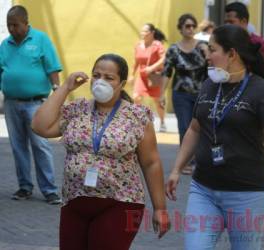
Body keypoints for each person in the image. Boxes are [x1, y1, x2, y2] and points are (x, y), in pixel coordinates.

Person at [166, 25, 264, 250]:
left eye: (212, 50)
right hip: (203, 190)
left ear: (232, 54)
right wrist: (176, 168)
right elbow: (195, 129)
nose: (207, 55)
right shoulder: (209, 85)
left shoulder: (263, 92)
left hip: (247, 193)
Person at [31, 53, 170, 250]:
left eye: (108, 78)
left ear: (121, 84)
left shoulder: (136, 117)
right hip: (75, 202)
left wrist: (160, 209)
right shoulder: (77, 109)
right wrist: (65, 88)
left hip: (120, 203)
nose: (100, 81)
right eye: (96, 75)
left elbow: (151, 163)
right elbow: (39, 126)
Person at [0, 5, 61, 204]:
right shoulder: (5, 45)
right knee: (18, 147)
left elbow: (52, 67)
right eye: (9, 25)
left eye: (15, 25)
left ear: (26, 23)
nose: (11, 29)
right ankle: (24, 187)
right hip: (11, 104)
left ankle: (50, 190)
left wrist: (57, 91)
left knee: (40, 146)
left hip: (36, 104)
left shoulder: (41, 39)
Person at [160, 13, 208, 175]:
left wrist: (207, 53)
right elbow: (167, 72)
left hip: (202, 94)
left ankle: (198, 161)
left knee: (200, 127)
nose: (191, 29)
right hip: (181, 94)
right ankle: (186, 162)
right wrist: (161, 95)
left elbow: (213, 67)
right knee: (184, 127)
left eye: (193, 26)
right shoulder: (173, 49)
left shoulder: (203, 46)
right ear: (180, 28)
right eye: (187, 26)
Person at [129, 23, 167, 132]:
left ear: (152, 33)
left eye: (145, 31)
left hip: (154, 77)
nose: (143, 33)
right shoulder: (138, 45)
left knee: (158, 101)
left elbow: (164, 59)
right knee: (136, 97)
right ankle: (138, 121)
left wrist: (151, 68)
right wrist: (132, 75)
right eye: (142, 31)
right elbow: (136, 62)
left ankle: (163, 122)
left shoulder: (157, 45)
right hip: (142, 77)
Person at [225, 2, 264, 78]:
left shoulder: (258, 44)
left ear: (243, 22)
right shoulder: (226, 42)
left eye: (231, 22)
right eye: (226, 22)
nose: (227, 25)